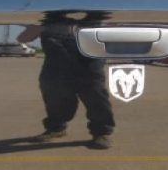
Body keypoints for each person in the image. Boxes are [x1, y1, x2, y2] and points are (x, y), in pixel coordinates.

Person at [18, 11, 115, 149]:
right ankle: (56, 128)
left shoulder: (99, 20)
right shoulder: (49, 22)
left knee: (95, 95)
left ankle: (101, 133)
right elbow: (23, 38)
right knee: (55, 96)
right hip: (56, 64)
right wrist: (39, 28)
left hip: (89, 61)